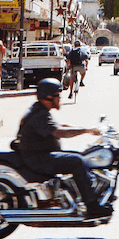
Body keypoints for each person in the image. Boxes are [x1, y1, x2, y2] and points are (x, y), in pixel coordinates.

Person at [16, 78, 112, 219]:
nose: (60, 98)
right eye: (57, 95)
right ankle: (91, 206)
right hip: (38, 159)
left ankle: (81, 195)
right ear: (48, 97)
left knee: (80, 156)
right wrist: (86, 130)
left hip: (39, 155)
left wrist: (87, 129)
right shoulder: (39, 115)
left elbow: (58, 127)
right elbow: (59, 132)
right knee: (76, 161)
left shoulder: (40, 110)